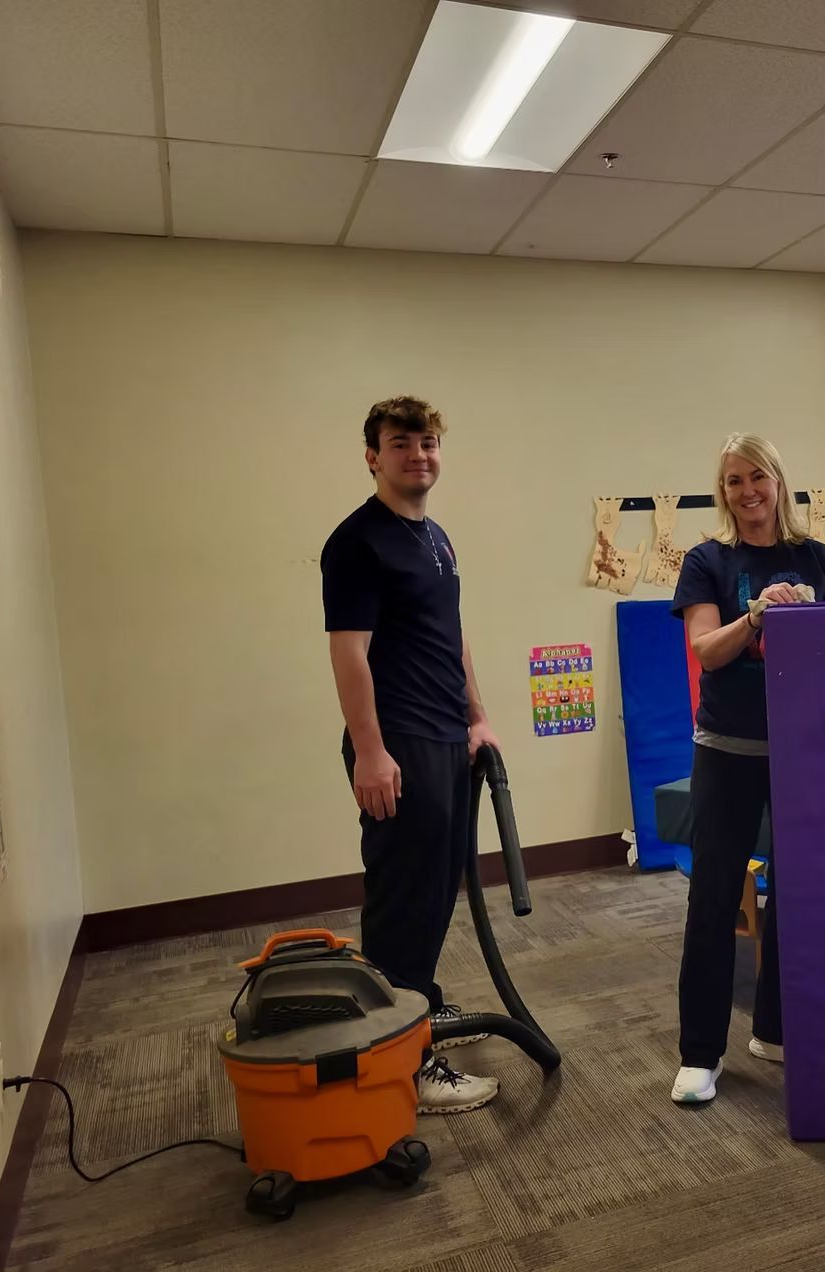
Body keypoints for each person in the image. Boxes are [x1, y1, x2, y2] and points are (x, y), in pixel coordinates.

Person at [320, 396, 501, 1114]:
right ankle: (406, 1068)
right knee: (402, 906)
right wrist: (370, 752)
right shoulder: (358, 543)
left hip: (444, 741)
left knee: (431, 899)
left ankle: (414, 1015)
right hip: (396, 747)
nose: (418, 455)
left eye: (427, 443)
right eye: (401, 444)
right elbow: (348, 653)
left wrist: (477, 715)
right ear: (373, 456)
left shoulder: (435, 537)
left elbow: (448, 635)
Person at [668, 434, 825, 1104]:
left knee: (799, 895)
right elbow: (706, 650)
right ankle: (700, 1054)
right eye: (734, 482)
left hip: (801, 753)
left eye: (757, 478)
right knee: (713, 900)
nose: (747, 492)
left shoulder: (817, 559)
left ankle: (774, 1030)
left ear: (779, 482)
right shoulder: (707, 561)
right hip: (727, 753)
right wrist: (756, 614)